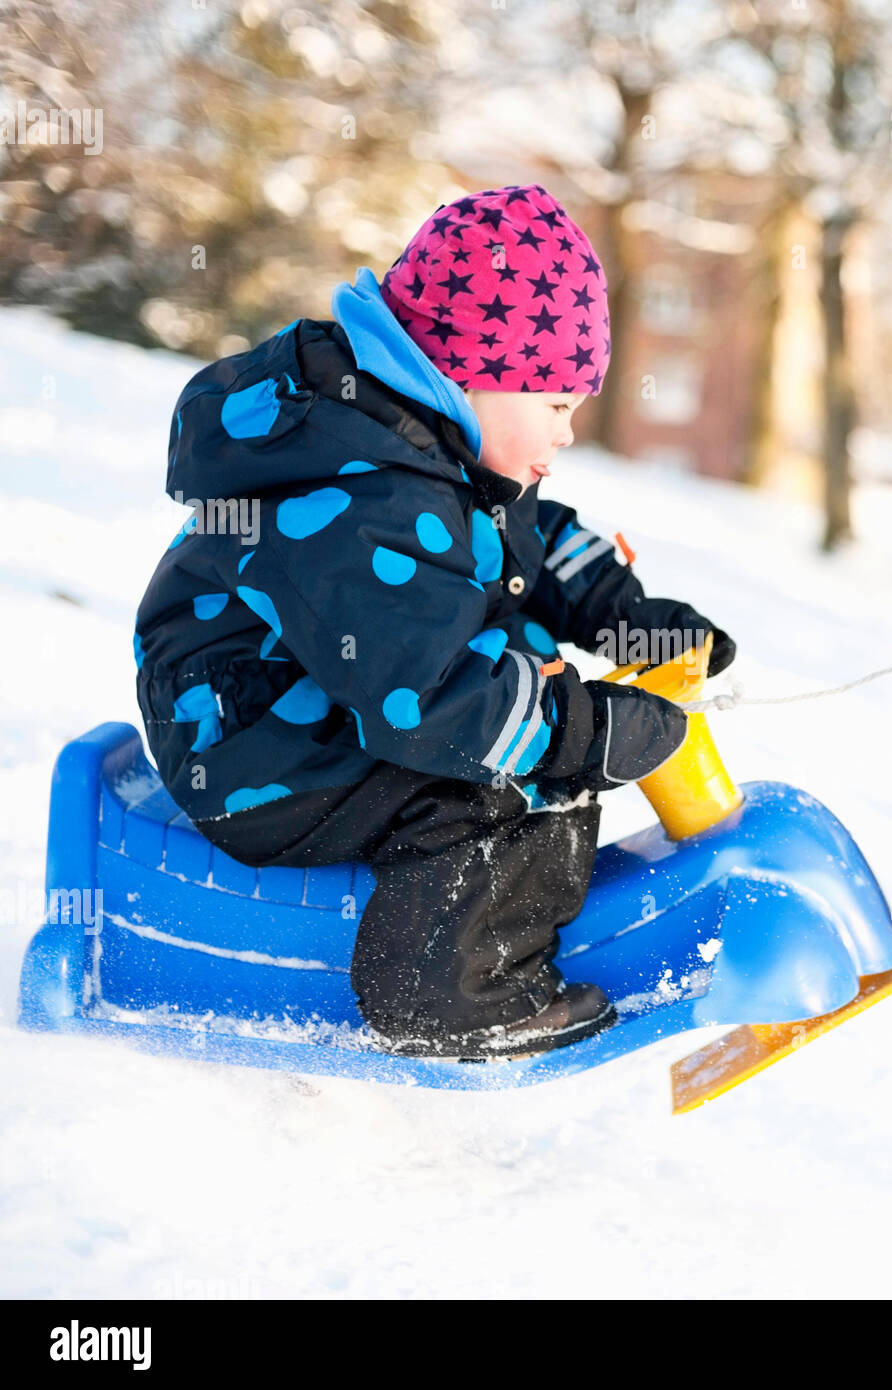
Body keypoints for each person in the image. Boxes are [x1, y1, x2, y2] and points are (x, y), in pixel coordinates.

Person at [133, 183, 735, 1059]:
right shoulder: (362, 492)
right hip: (250, 740)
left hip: (327, 694)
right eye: (556, 403)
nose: (567, 433)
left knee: (526, 699)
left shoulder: (432, 444)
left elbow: (533, 542)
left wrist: (632, 620)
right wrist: (588, 735)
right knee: (512, 777)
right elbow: (431, 700)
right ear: (470, 372)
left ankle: (484, 937)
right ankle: (450, 995)